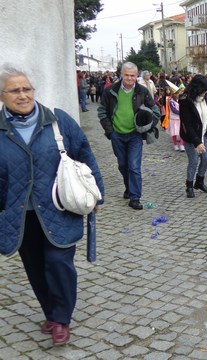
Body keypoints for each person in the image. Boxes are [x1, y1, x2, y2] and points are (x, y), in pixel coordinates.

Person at [0, 64, 105, 345]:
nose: (22, 95)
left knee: (58, 263)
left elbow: (84, 153)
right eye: (14, 90)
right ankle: (50, 311)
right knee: (34, 266)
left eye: (27, 89)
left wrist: (97, 194)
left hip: (59, 208)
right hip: (20, 214)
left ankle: (61, 319)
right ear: (2, 96)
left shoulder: (58, 121)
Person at [98, 62, 160, 210]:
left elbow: (155, 110)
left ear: (136, 75)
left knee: (134, 166)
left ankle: (135, 197)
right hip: (117, 135)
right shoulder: (110, 91)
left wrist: (148, 125)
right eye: (127, 75)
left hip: (135, 135)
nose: (130, 78)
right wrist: (110, 132)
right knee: (123, 165)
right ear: (121, 74)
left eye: (133, 75)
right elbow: (102, 112)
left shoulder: (142, 91)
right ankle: (128, 187)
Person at [179, 75, 207, 198]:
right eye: (204, 89)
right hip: (191, 136)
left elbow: (206, 115)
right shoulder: (185, 100)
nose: (206, 92)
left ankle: (199, 181)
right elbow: (187, 124)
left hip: (204, 133)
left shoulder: (205, 97)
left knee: (206, 158)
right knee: (193, 160)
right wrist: (197, 142)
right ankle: (189, 186)